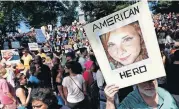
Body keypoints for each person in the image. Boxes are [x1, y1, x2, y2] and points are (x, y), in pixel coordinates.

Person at [105, 79, 179, 109]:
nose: (149, 85)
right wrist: (110, 100)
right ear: (137, 83)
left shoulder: (164, 93)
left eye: (151, 80)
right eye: (144, 81)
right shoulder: (130, 101)